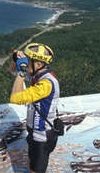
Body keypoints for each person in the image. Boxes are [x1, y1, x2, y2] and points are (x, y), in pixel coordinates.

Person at [9, 43, 60, 173]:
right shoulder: (38, 76)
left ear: (37, 64)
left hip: (42, 138)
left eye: (28, 60)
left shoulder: (46, 84)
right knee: (32, 163)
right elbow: (12, 71)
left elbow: (15, 97)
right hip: (34, 133)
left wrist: (22, 70)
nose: (25, 62)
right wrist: (15, 60)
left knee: (36, 170)